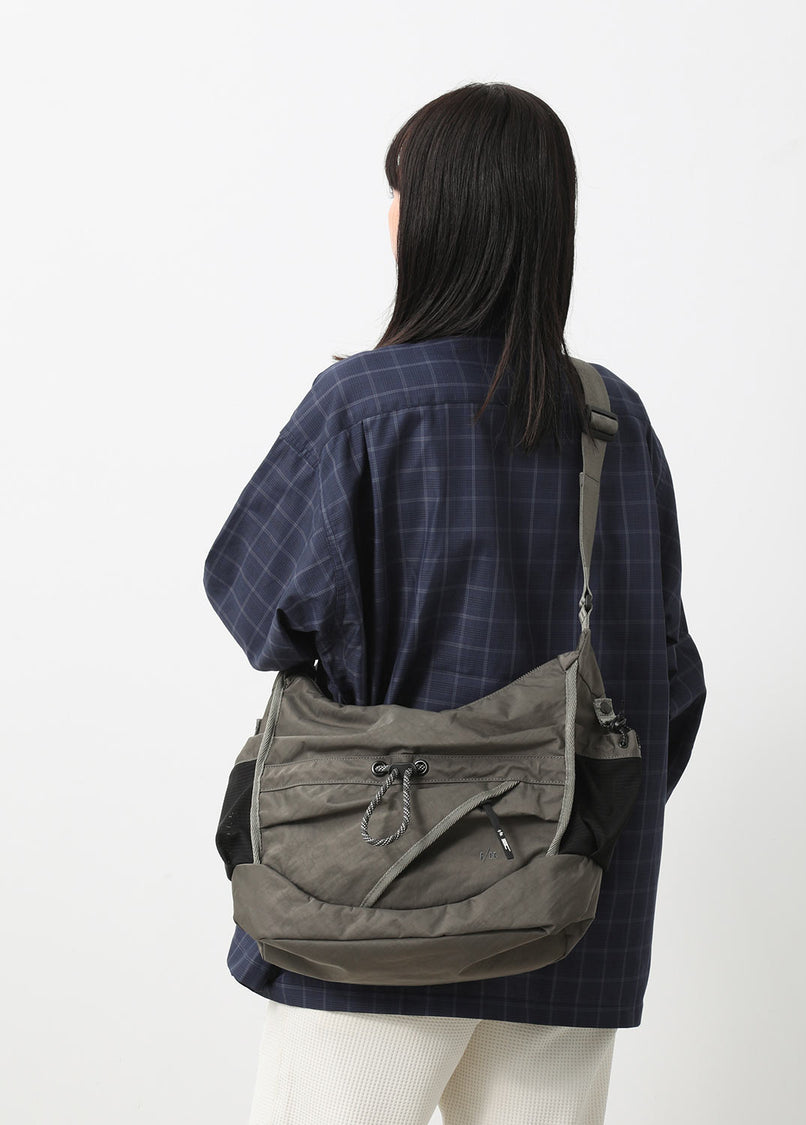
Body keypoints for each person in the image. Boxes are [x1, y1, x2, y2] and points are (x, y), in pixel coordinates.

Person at [203, 81, 706, 1125]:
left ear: (429, 218)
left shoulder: (362, 406)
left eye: (397, 192)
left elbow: (259, 608)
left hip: (368, 906)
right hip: (569, 914)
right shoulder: (614, 419)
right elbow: (669, 682)